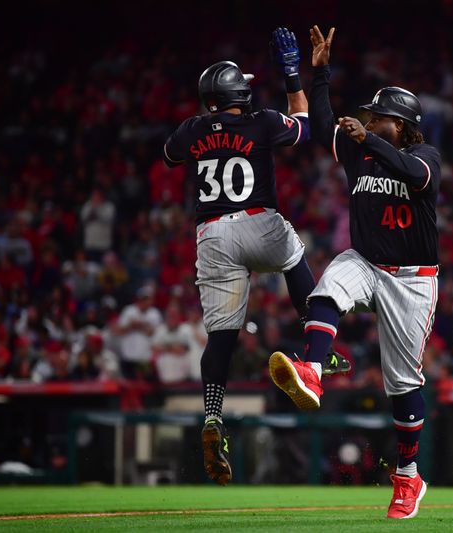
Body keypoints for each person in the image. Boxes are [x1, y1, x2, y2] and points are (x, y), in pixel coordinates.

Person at [269, 25, 441, 519]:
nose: (369, 119)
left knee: (402, 384)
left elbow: (417, 177)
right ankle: (314, 369)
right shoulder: (359, 147)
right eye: (370, 114)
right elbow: (323, 122)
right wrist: (318, 71)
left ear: (402, 126)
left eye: (380, 116)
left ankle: (408, 476)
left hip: (412, 278)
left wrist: (371, 139)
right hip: (366, 260)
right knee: (327, 288)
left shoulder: (424, 155)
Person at [162, 27, 347, 486]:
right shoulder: (262, 120)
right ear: (239, 91)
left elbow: (170, 155)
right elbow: (302, 126)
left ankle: (211, 415)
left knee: (221, 338)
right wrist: (291, 74)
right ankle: (315, 353)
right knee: (293, 256)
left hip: (212, 236)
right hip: (257, 219)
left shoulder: (191, 129)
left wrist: (208, 131)